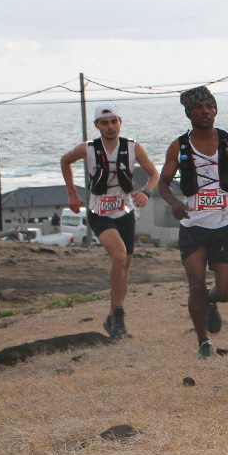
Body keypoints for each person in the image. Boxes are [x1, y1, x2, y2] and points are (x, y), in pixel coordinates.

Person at [157, 86, 228, 358]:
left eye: (209, 106)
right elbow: (163, 182)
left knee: (225, 292)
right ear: (189, 113)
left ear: (215, 110)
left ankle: (212, 302)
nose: (205, 111)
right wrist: (175, 204)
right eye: (198, 107)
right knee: (195, 285)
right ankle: (204, 343)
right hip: (192, 228)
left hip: (224, 226)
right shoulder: (179, 146)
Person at [60, 103, 160, 339]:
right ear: (96, 125)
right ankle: (119, 314)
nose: (110, 127)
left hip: (125, 211)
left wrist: (145, 192)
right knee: (118, 256)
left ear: (120, 122)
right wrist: (72, 193)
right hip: (99, 211)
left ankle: (111, 318)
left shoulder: (133, 147)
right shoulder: (88, 149)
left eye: (113, 121)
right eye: (104, 123)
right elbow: (65, 161)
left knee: (124, 266)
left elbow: (154, 174)